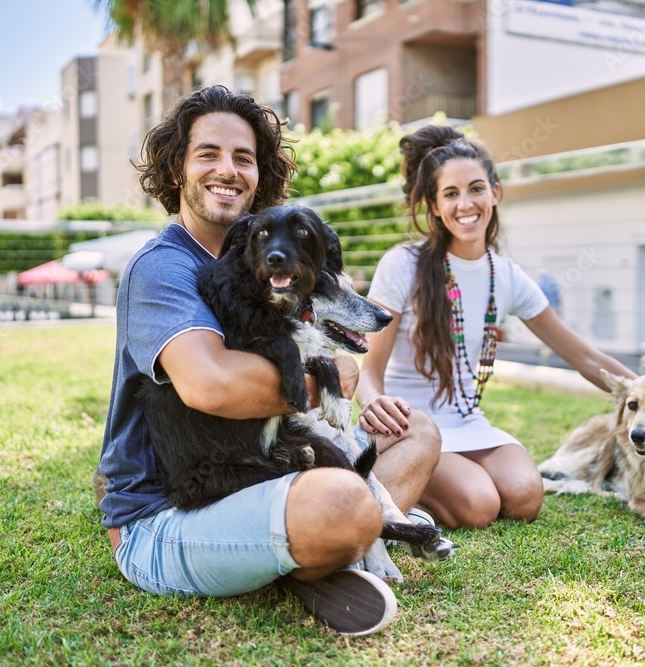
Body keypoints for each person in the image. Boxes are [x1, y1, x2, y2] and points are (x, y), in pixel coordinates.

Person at [96, 86, 441, 636]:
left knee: (418, 433)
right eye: (207, 153)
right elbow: (211, 386)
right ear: (176, 166)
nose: (227, 170)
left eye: (244, 157)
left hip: (264, 459)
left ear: (261, 174)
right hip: (169, 514)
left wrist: (338, 370)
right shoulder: (162, 269)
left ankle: (305, 546)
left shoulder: (263, 261)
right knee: (344, 502)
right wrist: (326, 373)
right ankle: (324, 543)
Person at [354, 125, 635, 530]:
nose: (465, 204)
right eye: (450, 194)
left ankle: (427, 490)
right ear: (433, 205)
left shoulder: (504, 275)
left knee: (525, 495)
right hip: (409, 426)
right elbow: (370, 367)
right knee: (479, 505)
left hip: (467, 422)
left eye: (476, 189)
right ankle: (403, 488)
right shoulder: (402, 265)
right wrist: (373, 402)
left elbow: (584, 355)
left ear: (495, 193)